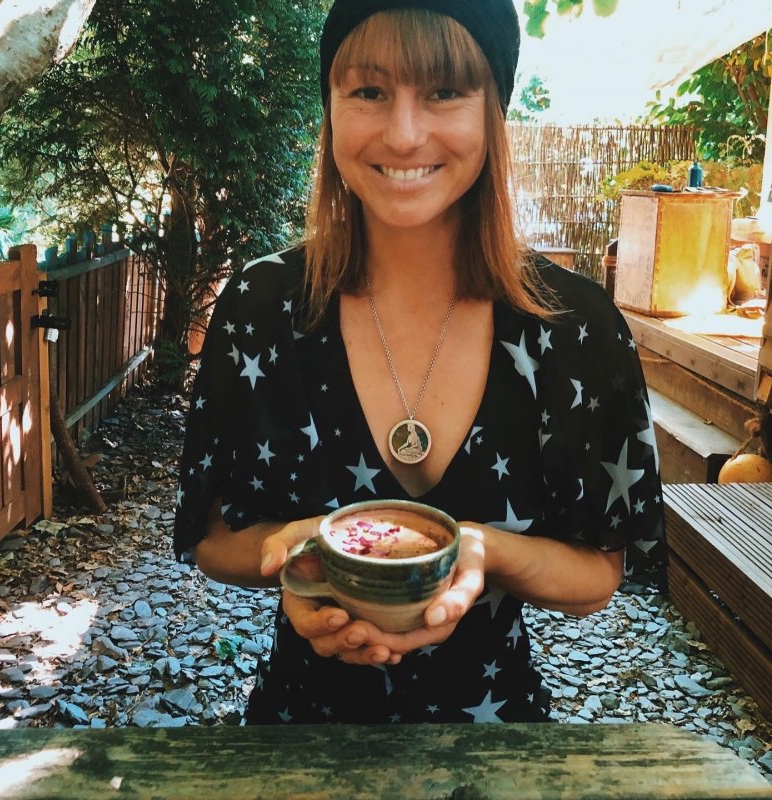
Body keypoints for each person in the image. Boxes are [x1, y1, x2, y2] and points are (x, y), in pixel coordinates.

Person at [174, 0, 666, 725]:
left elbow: (599, 570)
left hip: (497, 745)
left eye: (444, 91)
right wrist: (297, 558)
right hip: (297, 740)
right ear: (331, 108)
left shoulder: (573, 326)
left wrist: (481, 550)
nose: (404, 135)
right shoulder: (261, 305)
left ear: (493, 110)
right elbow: (211, 536)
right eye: (369, 92)